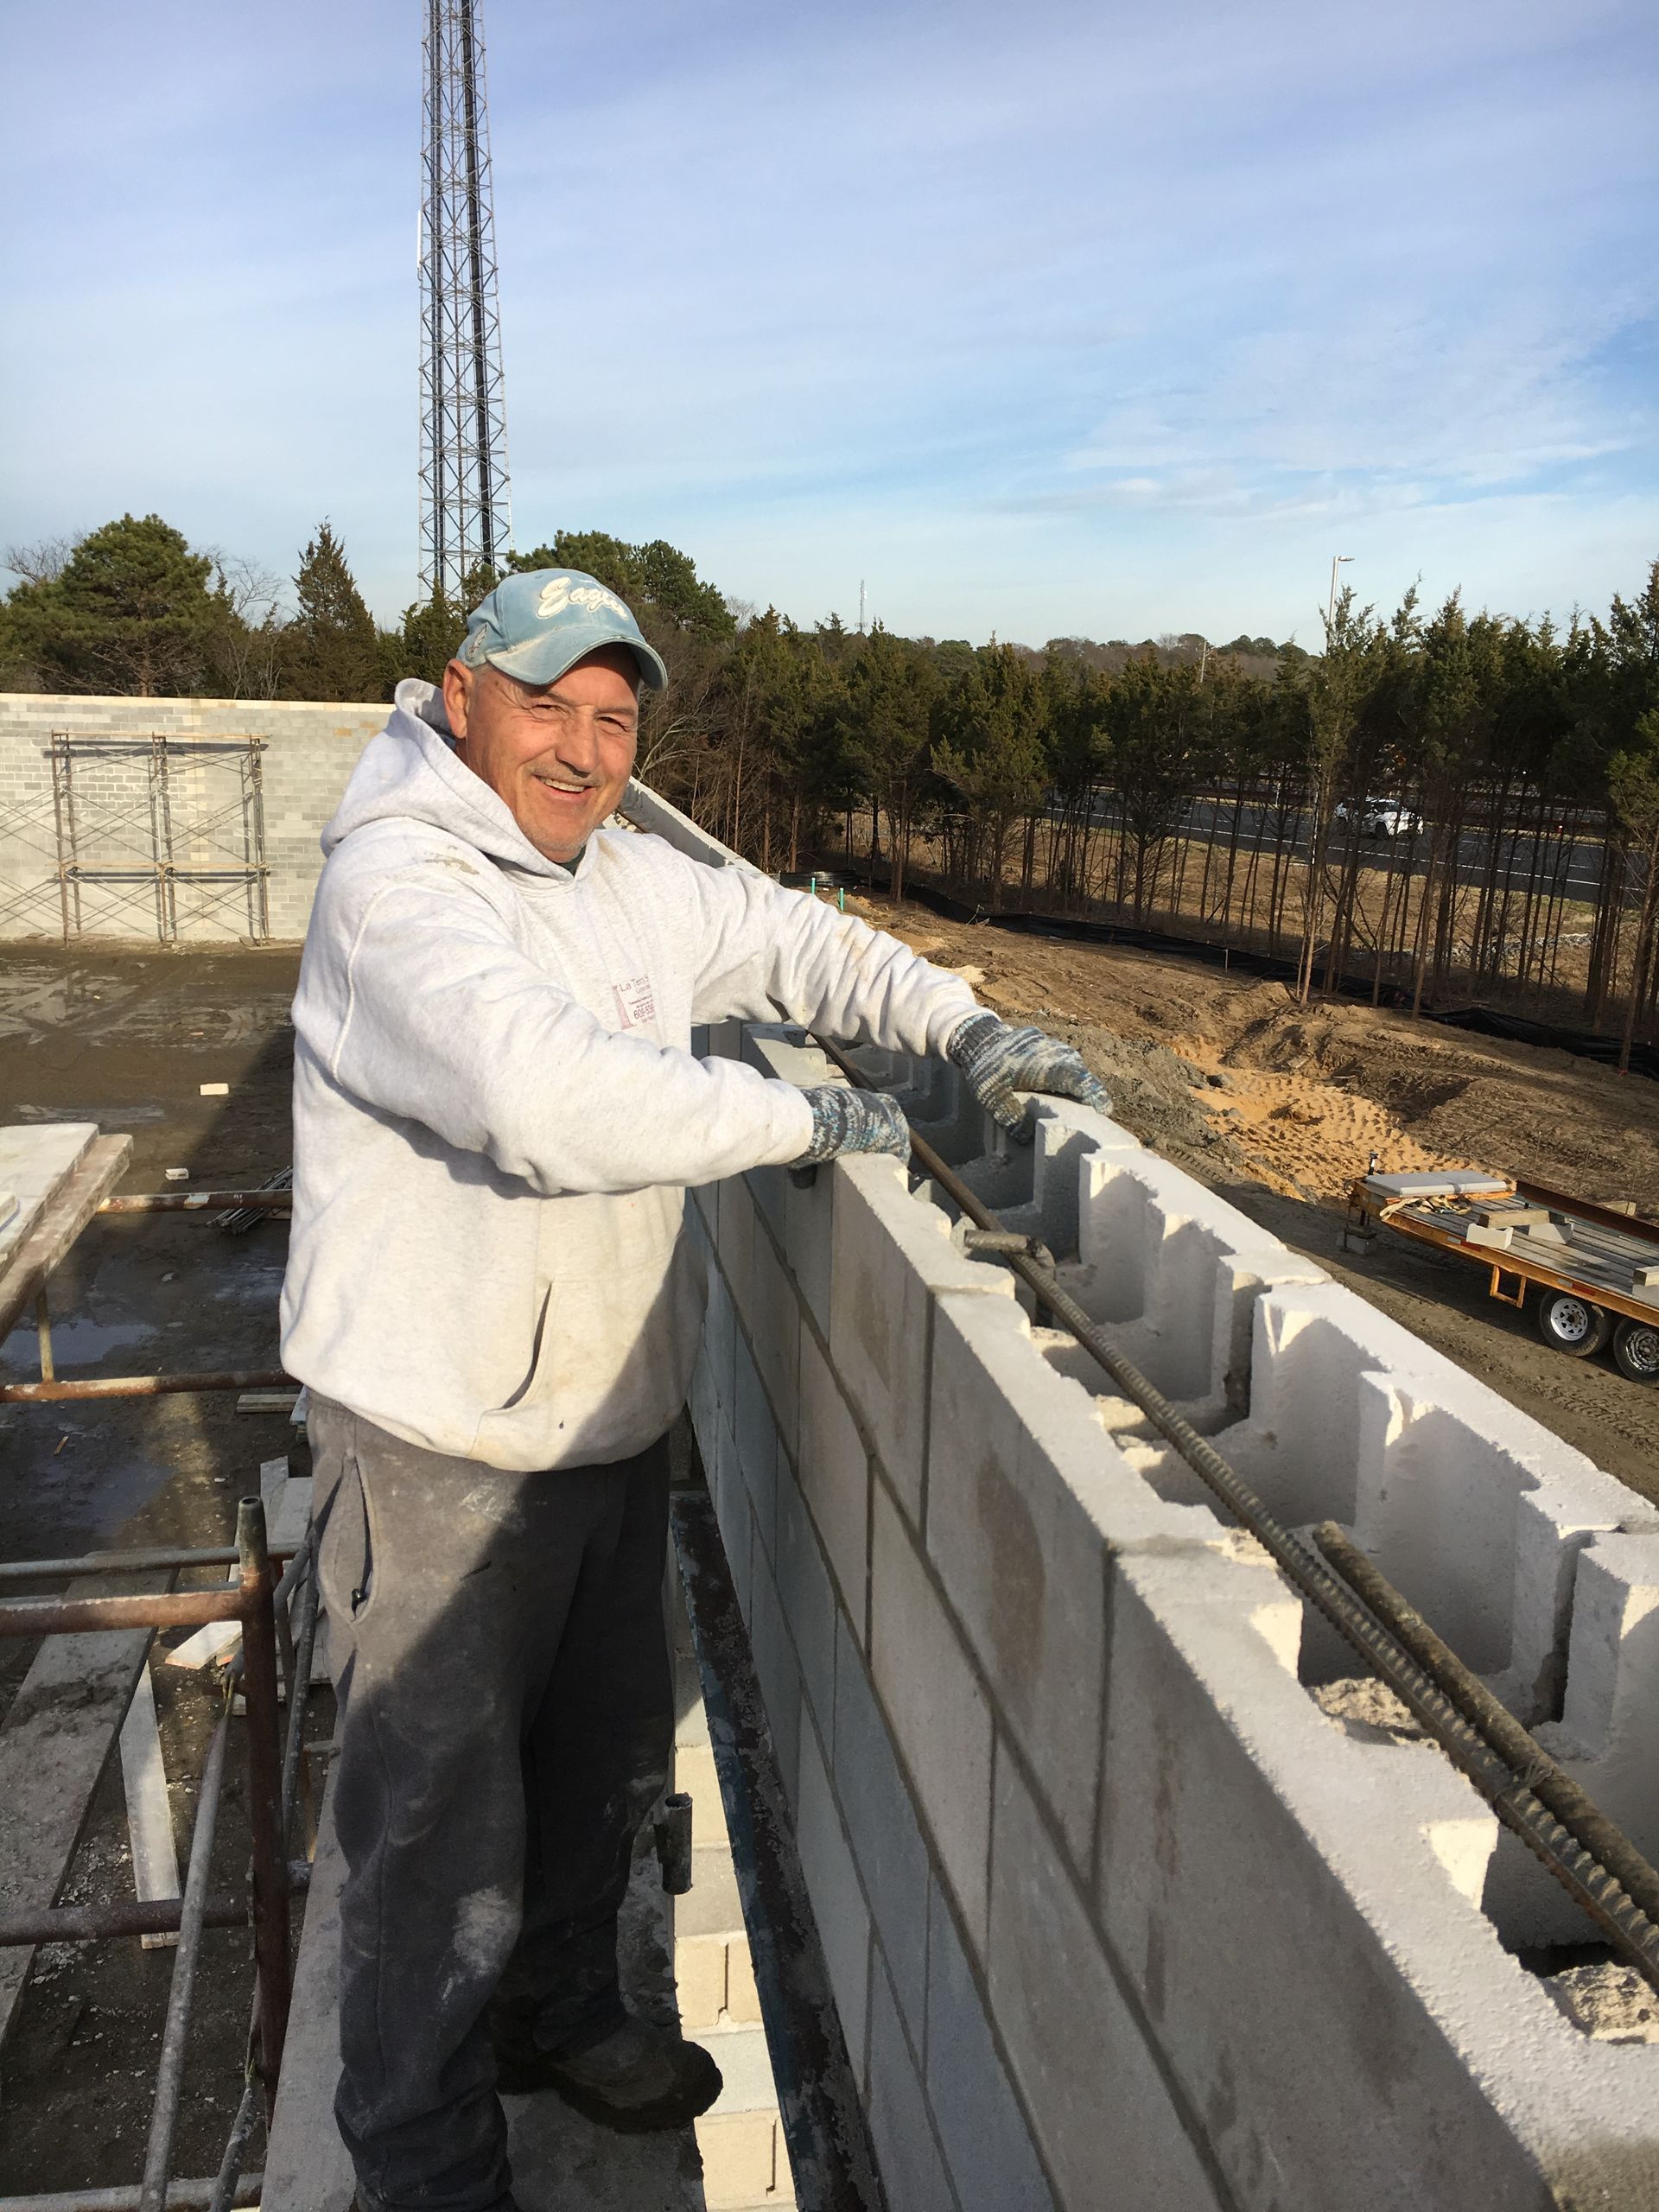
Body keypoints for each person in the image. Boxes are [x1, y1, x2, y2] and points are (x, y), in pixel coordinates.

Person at [280, 569, 1109, 2212]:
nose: (585, 751)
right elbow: (544, 1100)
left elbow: (796, 939)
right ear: (462, 700)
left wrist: (967, 1028)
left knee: (595, 1777)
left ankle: (566, 2017)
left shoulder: (620, 875)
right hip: (437, 1449)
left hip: (600, 1424)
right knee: (434, 1844)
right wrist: (811, 1125)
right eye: (549, 708)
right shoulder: (404, 892)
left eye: (615, 720)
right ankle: (426, 2165)